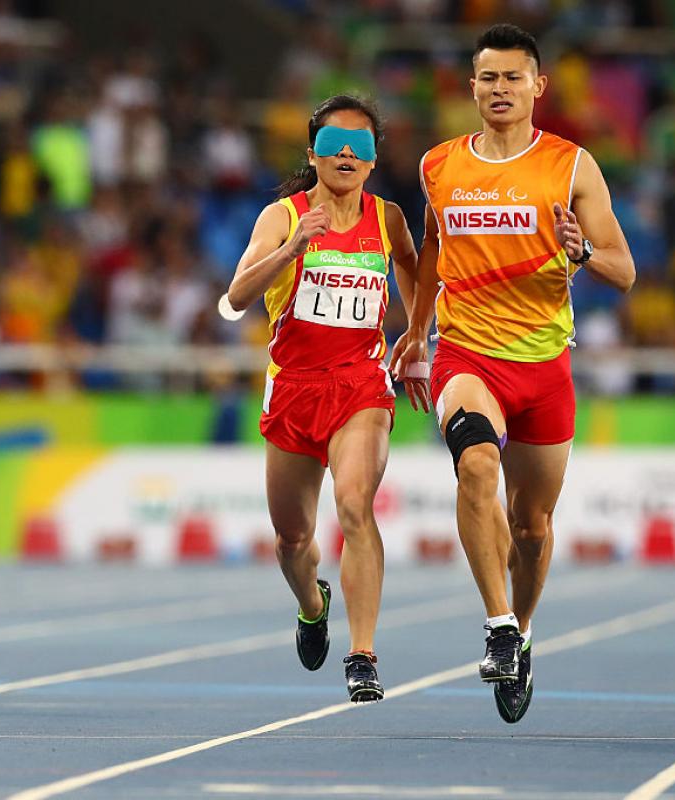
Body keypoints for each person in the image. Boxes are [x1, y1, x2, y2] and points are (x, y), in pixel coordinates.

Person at [389, 24, 635, 723]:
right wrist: (414, 330)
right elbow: (433, 246)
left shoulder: (571, 166)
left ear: (538, 87)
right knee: (473, 467)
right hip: (467, 353)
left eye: (512, 78)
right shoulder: (440, 165)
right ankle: (498, 626)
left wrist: (581, 251)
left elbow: (625, 271)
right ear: (472, 87)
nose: (499, 90)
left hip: (544, 365)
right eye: (487, 78)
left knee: (531, 527)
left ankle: (522, 632)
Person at [226, 95, 419, 703]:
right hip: (294, 391)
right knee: (291, 539)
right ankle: (313, 605)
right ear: (312, 153)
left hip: (360, 385)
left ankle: (362, 655)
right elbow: (233, 299)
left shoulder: (386, 219)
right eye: (334, 142)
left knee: (356, 506)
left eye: (359, 146)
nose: (344, 153)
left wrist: (416, 336)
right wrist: (289, 250)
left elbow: (417, 268)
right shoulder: (281, 216)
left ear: (372, 161)